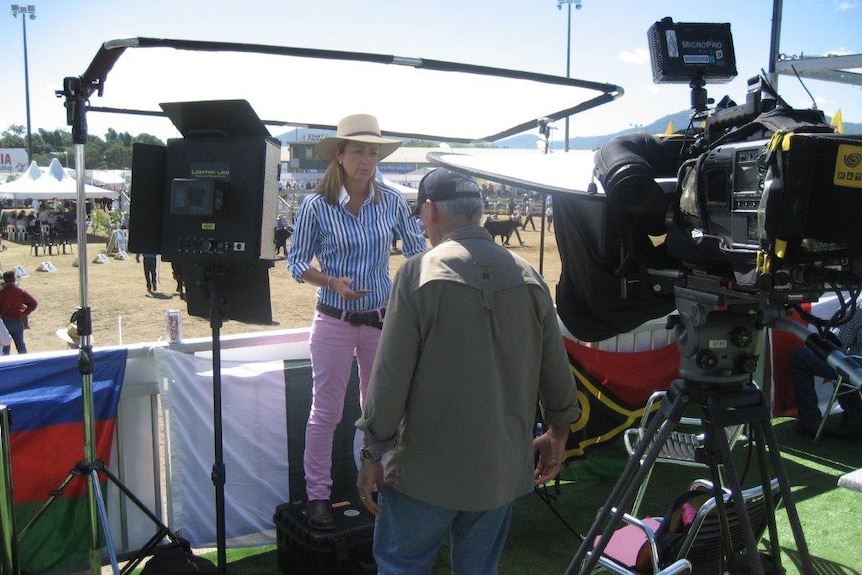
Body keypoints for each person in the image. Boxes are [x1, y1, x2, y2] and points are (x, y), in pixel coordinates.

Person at [355, 168, 579, 574]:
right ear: (477, 212)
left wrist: (371, 451)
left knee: (401, 565)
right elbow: (558, 373)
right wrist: (558, 432)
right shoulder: (529, 276)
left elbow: (389, 379)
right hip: (501, 468)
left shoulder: (417, 274)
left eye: (422, 215)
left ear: (431, 210)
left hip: (425, 470)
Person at [286, 113, 426, 530]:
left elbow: (418, 251)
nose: (367, 160)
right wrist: (331, 281)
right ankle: (318, 497)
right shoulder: (316, 205)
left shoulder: (393, 201)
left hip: (381, 322)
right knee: (325, 412)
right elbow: (295, 263)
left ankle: (379, 489)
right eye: (358, 151)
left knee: (378, 410)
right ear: (340, 156)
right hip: (333, 319)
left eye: (373, 152)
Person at [791, 294, 862, 439]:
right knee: (845, 362)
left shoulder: (859, 301)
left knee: (801, 356)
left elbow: (836, 342)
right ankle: (854, 418)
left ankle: (809, 422)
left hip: (857, 369)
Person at [0, 271, 38, 355]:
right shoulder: (20, 292)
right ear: (14, 280)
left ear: (4, 281)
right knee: (21, 346)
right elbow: (33, 303)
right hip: (17, 321)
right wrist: (25, 312)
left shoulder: (1, 293)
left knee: (5, 348)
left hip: (5, 323)